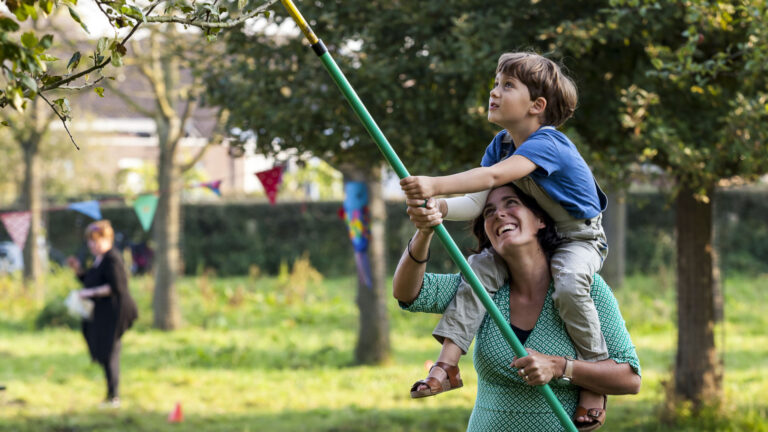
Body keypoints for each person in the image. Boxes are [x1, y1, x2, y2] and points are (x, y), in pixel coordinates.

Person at [400, 52, 610, 419]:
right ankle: (447, 364)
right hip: (545, 233)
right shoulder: (501, 143)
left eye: (507, 86)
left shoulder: (549, 143)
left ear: (537, 105)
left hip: (580, 238)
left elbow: (493, 178)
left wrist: (434, 183)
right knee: (479, 269)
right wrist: (441, 209)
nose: (494, 92)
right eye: (496, 83)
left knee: (572, 280)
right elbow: (477, 200)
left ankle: (596, 377)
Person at [394, 185, 640, 430]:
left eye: (511, 203)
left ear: (540, 219)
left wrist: (559, 367)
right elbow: (409, 293)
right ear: (488, 233)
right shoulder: (478, 289)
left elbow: (629, 378)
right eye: (489, 211)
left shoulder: (583, 288)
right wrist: (424, 231)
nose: (499, 214)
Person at [66, 220, 138, 407]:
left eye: (97, 240)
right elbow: (90, 281)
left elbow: (117, 286)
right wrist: (78, 271)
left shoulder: (112, 259)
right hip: (101, 313)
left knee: (110, 351)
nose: (93, 244)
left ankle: (113, 396)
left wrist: (89, 293)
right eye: (91, 241)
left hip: (114, 312)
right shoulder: (98, 260)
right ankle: (110, 394)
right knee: (104, 350)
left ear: (108, 240)